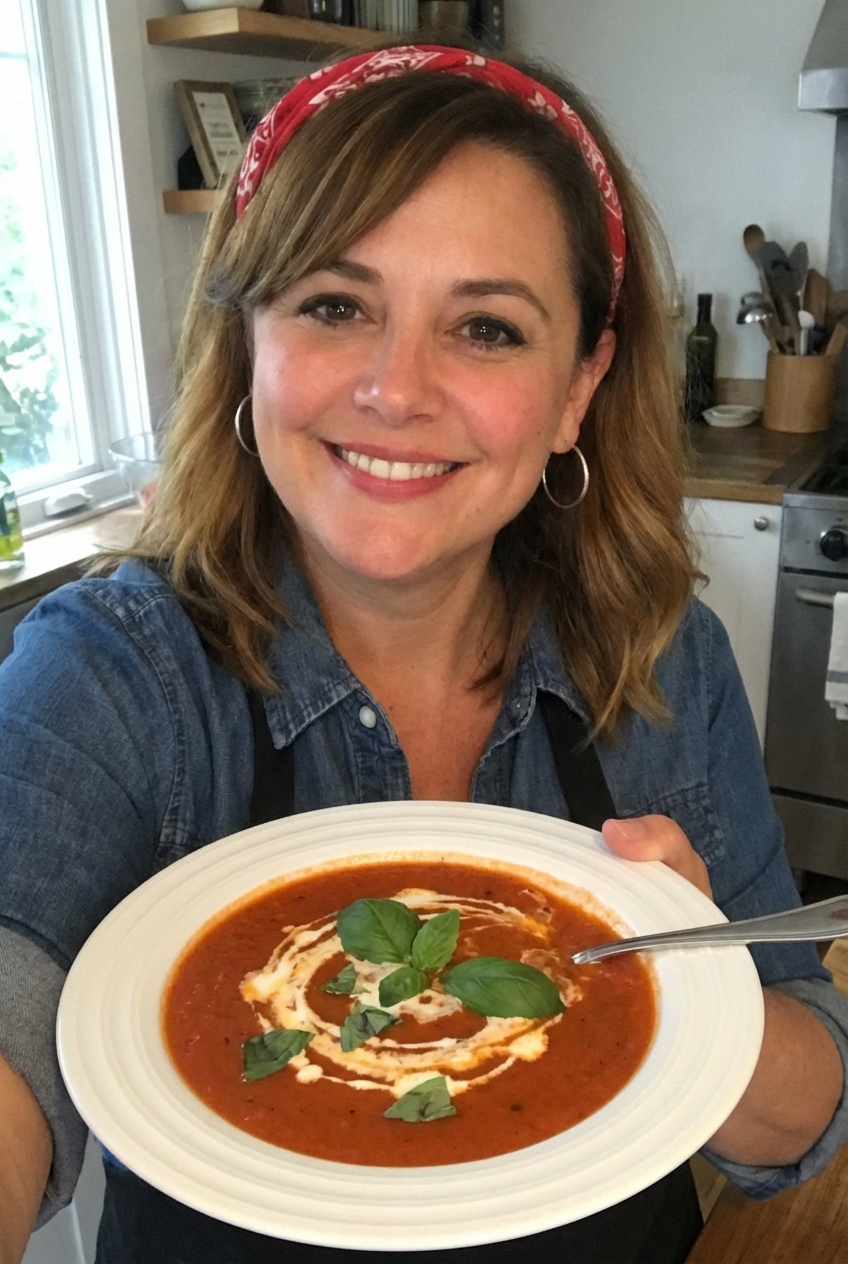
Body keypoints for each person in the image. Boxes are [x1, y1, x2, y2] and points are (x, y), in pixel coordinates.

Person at [0, 41, 845, 1264]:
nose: (397, 390)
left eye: (487, 329)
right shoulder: (110, 673)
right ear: (249, 343)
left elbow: (802, 1113)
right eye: (335, 306)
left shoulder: (665, 658)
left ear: (577, 387)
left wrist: (698, 1005)